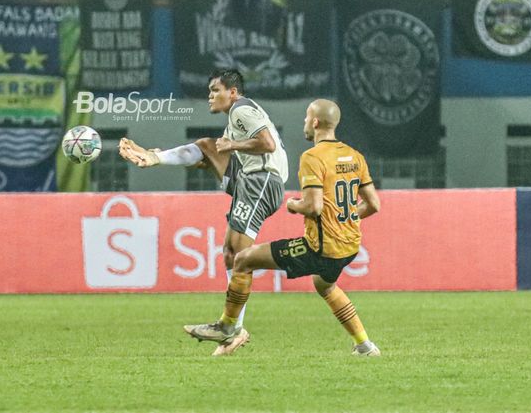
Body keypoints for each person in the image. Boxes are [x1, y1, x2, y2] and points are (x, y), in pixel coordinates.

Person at [183, 98, 382, 356]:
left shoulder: (312, 157)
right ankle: (364, 345)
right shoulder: (355, 157)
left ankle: (227, 327)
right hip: (350, 246)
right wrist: (343, 218)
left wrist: (294, 205)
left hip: (320, 249)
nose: (304, 124)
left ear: (315, 121)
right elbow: (373, 205)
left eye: (306, 118)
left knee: (243, 260)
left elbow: (313, 207)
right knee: (326, 286)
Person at [119, 69, 289, 356]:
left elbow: (268, 144)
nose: (210, 95)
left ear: (232, 92)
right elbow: (208, 156)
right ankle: (232, 328)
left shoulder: (241, 109)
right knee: (206, 147)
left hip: (262, 180)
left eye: (215, 90)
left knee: (238, 254)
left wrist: (233, 145)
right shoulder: (236, 120)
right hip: (250, 177)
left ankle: (231, 327)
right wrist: (159, 157)